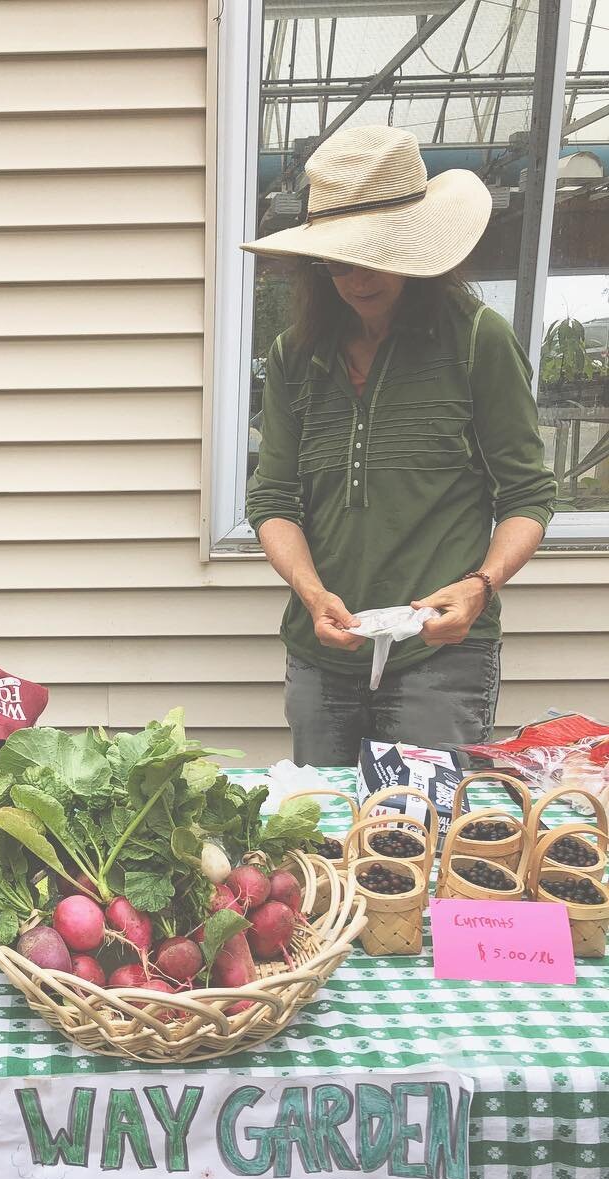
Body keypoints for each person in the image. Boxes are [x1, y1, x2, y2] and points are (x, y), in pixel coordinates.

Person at [242, 124, 556, 766]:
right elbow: (274, 501)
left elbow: (527, 496)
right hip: (322, 652)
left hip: (441, 655)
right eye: (338, 260)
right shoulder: (296, 358)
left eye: (375, 253)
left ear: (414, 245)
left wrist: (480, 585)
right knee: (323, 840)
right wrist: (310, 591)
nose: (357, 279)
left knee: (426, 838)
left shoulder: (476, 342)